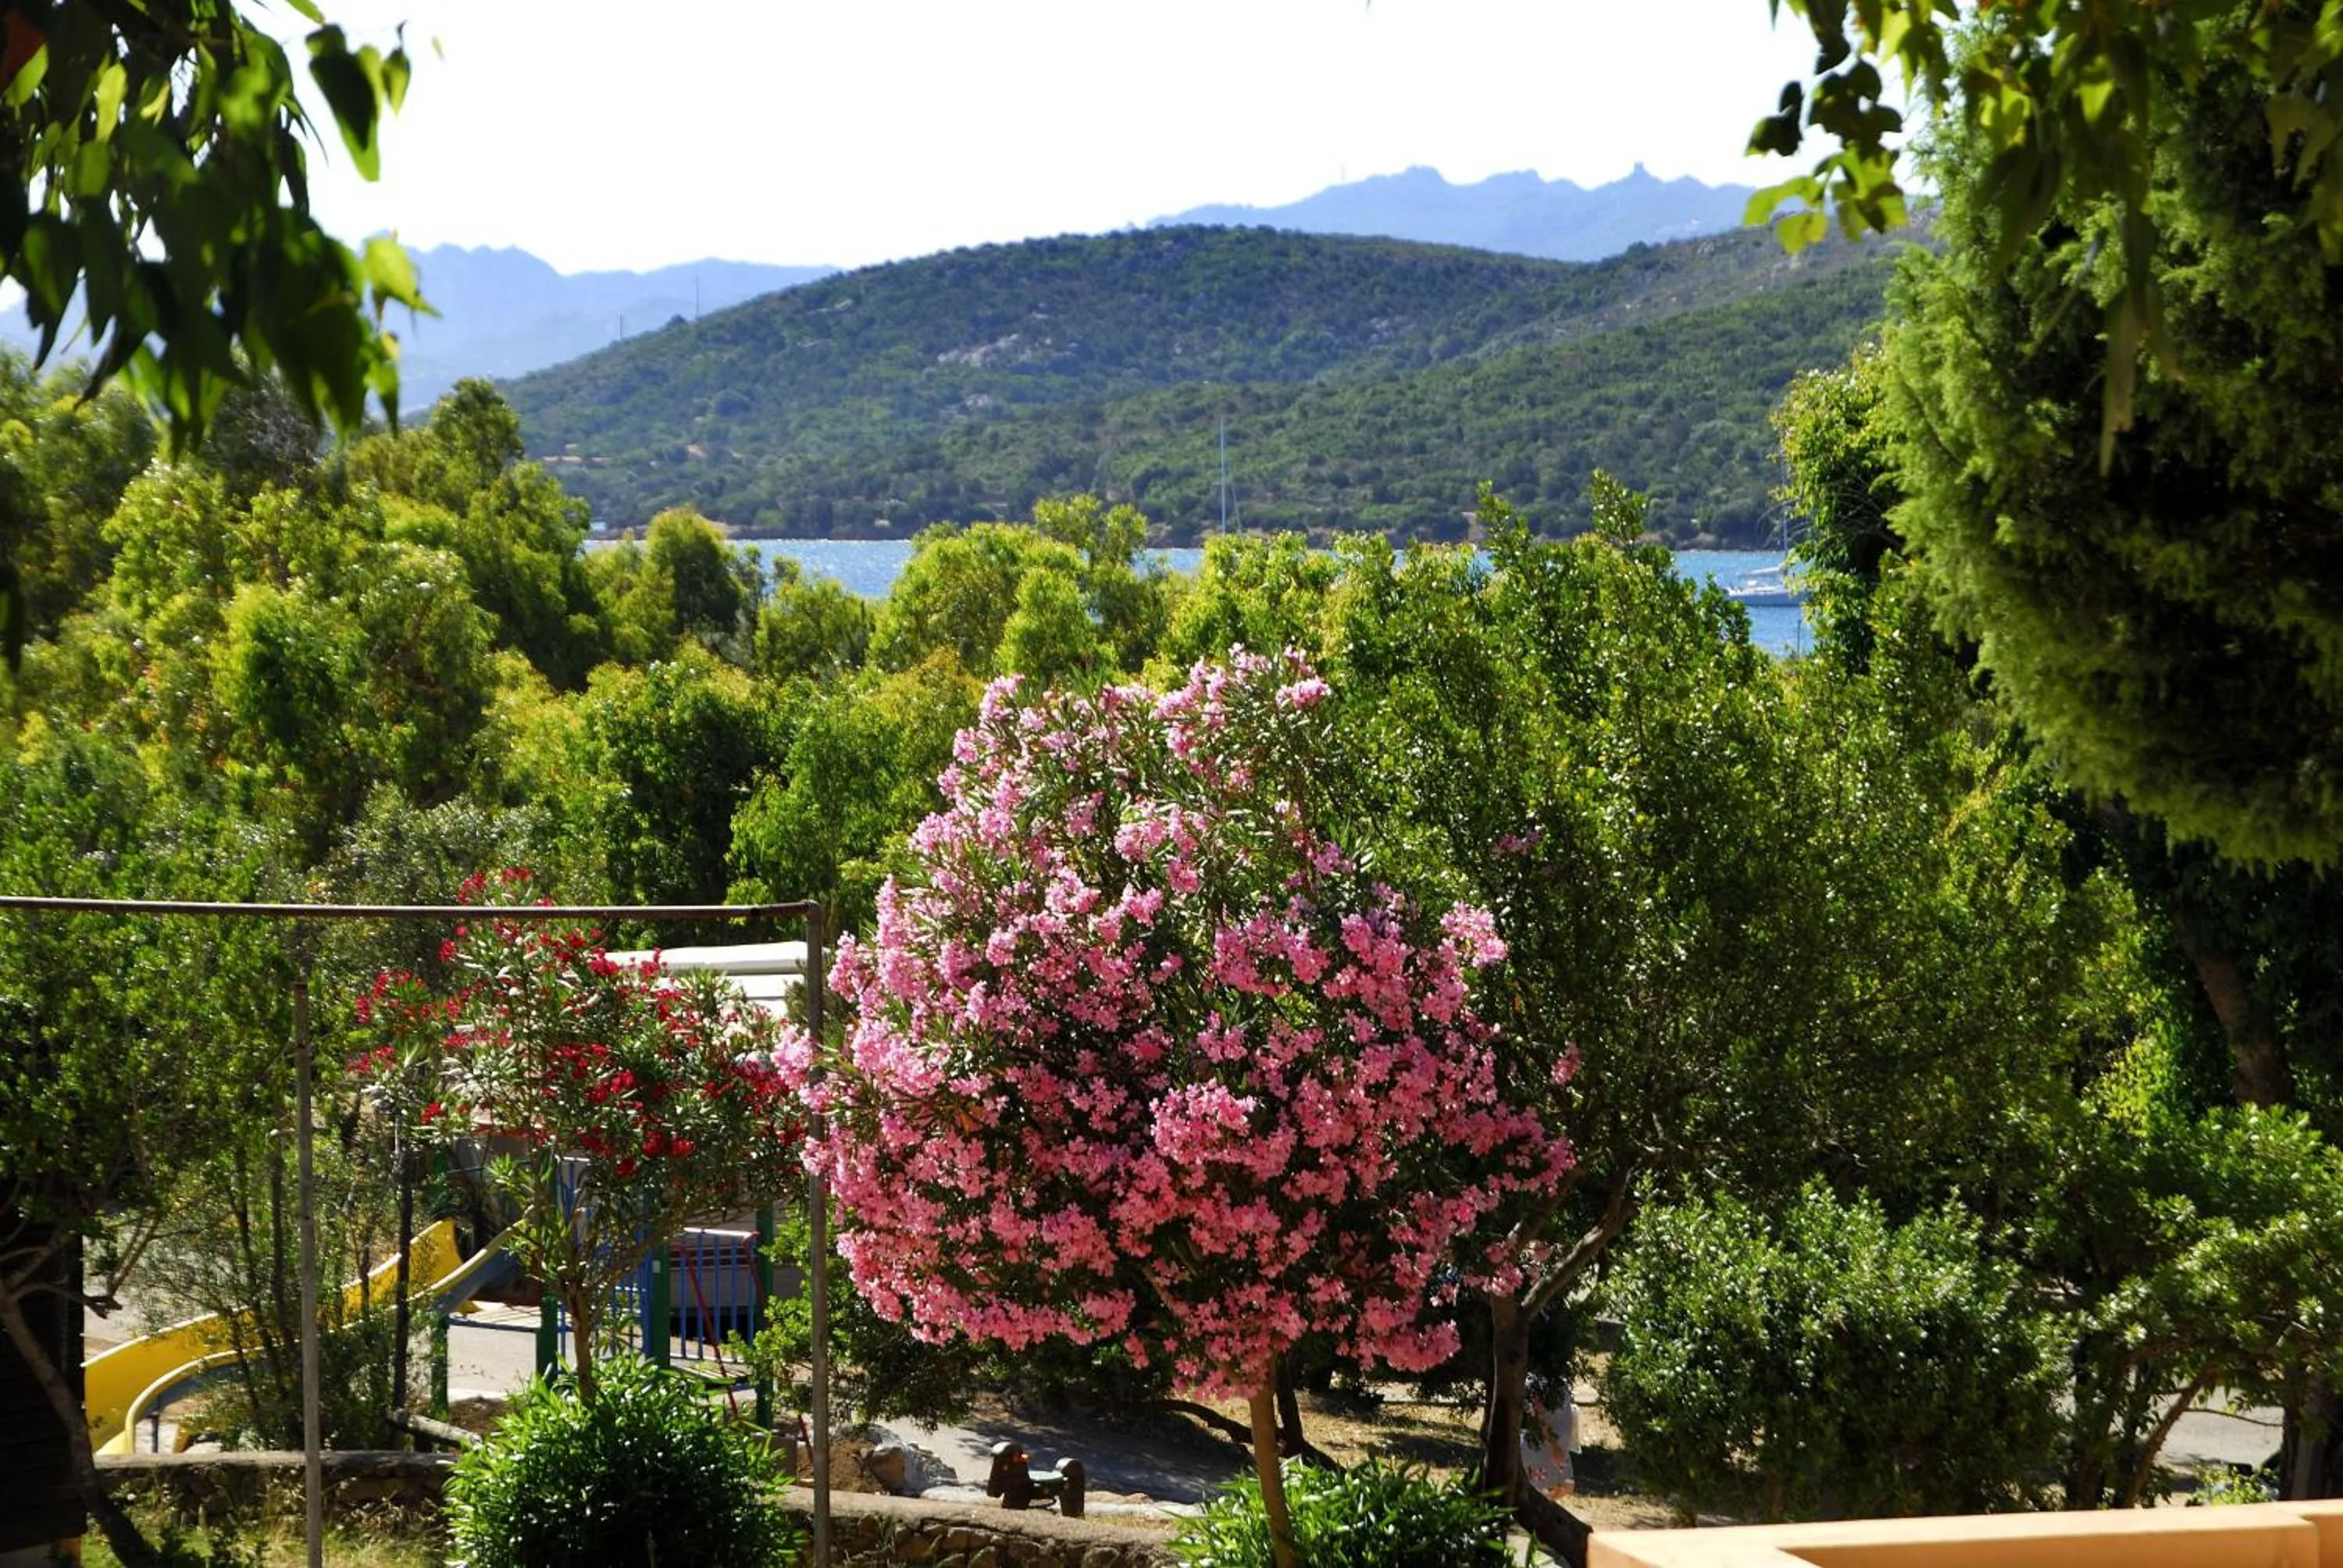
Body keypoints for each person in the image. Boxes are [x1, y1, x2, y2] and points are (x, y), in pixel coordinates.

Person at [1521, 1372, 1577, 1501]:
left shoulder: (1557, 1384)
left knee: (1567, 1486)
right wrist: (1553, 1445)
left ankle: (1542, 1505)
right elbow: (1538, 1417)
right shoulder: (1538, 1383)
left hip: (1555, 1446)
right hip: (1543, 1447)